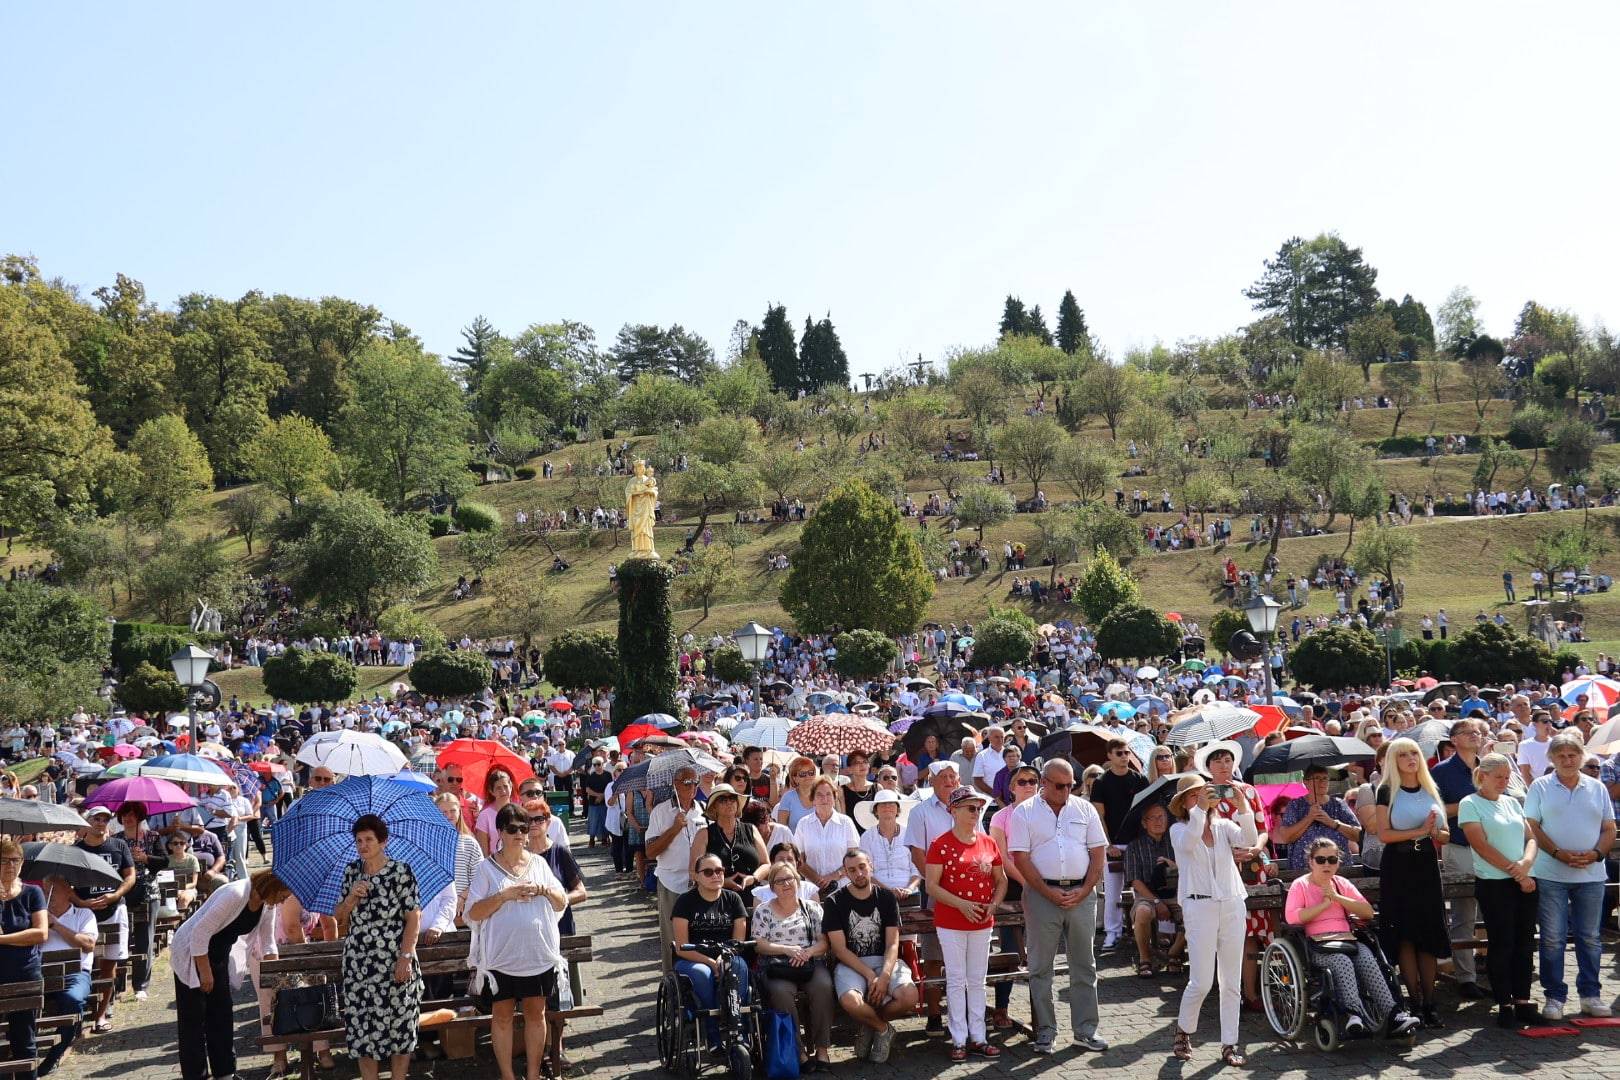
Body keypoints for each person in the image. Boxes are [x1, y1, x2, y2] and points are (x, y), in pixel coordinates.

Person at [1007, 758, 1107, 1055]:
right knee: (1040, 967)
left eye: (1071, 785)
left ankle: (1085, 1031)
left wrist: (1086, 889)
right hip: (1041, 895)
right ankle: (1045, 1032)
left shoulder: (1084, 808)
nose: (1067, 791)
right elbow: (1020, 858)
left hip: (1080, 893)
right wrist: (1048, 892)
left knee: (1084, 966)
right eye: (1061, 786)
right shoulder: (1024, 812)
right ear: (1044, 783)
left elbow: (1098, 852)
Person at [466, 804, 569, 1080]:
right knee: (502, 1016)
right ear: (500, 831)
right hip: (502, 957)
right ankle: (508, 1076)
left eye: (524, 828)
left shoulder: (539, 863)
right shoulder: (486, 869)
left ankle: (534, 1075)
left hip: (537, 954)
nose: (520, 834)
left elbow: (562, 901)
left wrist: (544, 890)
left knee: (537, 1013)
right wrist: (504, 895)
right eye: (513, 829)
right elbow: (472, 913)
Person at [1284, 838, 1419, 1037]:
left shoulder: (1341, 883)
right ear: (1311, 862)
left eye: (1332, 859)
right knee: (1342, 961)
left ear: (1338, 862)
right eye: (1321, 860)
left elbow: (1367, 912)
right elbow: (1292, 917)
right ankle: (1353, 1014)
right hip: (1316, 944)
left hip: (1347, 939)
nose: (1327, 864)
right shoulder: (1300, 885)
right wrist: (1323, 905)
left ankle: (1393, 1014)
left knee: (1367, 958)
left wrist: (1337, 898)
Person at [1525, 730, 1616, 1020]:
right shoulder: (1540, 786)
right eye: (1561, 755)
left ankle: (1590, 995)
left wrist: (1596, 854)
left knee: (1590, 937)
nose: (1567, 759)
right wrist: (1556, 852)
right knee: (1553, 938)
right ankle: (1555, 997)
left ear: (1581, 756)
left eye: (1573, 754)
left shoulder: (1597, 787)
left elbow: (1608, 828)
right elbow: (1532, 826)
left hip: (1591, 874)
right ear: (1551, 757)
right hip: (1551, 872)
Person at [168, 869, 292, 1080]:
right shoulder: (235, 894)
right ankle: (196, 1075)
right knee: (194, 1019)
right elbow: (200, 932)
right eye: (283, 895)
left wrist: (275, 973)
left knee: (222, 1014)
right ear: (273, 887)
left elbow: (268, 941)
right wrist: (205, 973)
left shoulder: (267, 905)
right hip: (192, 952)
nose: (283, 901)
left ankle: (225, 1072)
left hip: (219, 953)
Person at [334, 814, 424, 1080]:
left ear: (382, 841)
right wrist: (352, 897)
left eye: (369, 839)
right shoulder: (352, 872)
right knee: (363, 1031)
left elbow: (414, 917)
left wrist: (405, 958)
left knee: (400, 1027)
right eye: (359, 840)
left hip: (395, 959)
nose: (363, 845)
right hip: (359, 964)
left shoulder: (401, 871)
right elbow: (339, 917)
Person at [1166, 776, 1248, 1066]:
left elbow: (1248, 840)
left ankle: (1230, 1043)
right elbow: (1188, 844)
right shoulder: (1178, 829)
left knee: (1230, 981)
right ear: (1183, 804)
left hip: (1232, 904)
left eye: (1204, 793)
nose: (1201, 798)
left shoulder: (1224, 825)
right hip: (1199, 906)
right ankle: (1184, 1030)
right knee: (1201, 981)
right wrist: (1200, 809)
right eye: (1193, 796)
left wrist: (1242, 807)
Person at [1458, 752, 1541, 1028]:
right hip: (1495, 883)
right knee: (1502, 943)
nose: (1504, 782)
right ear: (1483, 776)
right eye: (1499, 777)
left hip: (1524, 879)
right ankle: (1504, 1002)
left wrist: (1526, 863)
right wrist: (1515, 870)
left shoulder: (1512, 802)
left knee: (1525, 942)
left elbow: (1530, 838)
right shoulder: (1470, 803)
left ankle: (1523, 1000)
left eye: (1507, 777)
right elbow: (1480, 844)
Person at [1373, 737, 1450, 1028]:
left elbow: (1444, 835)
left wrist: (1434, 833)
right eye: (1403, 754)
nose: (1410, 758)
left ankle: (1431, 1002)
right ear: (1394, 759)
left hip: (1426, 864)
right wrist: (1420, 830)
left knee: (1428, 933)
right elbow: (1384, 834)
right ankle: (1414, 1001)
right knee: (1405, 934)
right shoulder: (1386, 790)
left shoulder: (1430, 788)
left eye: (1414, 753)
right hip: (1399, 866)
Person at [925, 787, 1005, 1061]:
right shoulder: (940, 844)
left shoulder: (987, 842)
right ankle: (959, 1039)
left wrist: (992, 905)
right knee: (957, 980)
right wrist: (961, 904)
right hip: (951, 921)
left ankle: (979, 1038)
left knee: (977, 980)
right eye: (970, 807)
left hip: (982, 921)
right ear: (954, 810)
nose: (975, 812)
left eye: (978, 808)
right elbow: (931, 886)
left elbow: (1001, 879)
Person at [1193, 741, 1272, 1008]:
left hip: (1252, 866)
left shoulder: (1248, 791)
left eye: (1227, 760)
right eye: (1218, 761)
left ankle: (1256, 992)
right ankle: (1239, 993)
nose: (1224, 766)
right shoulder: (1205, 795)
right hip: (1223, 868)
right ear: (1209, 767)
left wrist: (1255, 849)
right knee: (1234, 933)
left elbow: (1262, 828)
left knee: (1259, 929)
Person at [824, 847, 917, 1063]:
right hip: (851, 963)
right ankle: (883, 1028)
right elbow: (839, 949)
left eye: (862, 867)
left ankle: (869, 1026)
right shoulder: (834, 901)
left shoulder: (885, 897)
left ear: (871, 866)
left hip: (885, 960)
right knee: (850, 1001)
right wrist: (869, 975)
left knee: (909, 996)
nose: (858, 874)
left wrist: (884, 976)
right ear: (845, 873)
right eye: (852, 870)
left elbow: (893, 943)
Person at [750, 862, 835, 1070]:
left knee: (823, 986)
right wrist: (787, 950)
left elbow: (823, 942)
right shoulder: (763, 910)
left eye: (790, 879)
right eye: (779, 881)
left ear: (798, 882)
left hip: (809, 962)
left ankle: (822, 1050)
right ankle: (799, 1052)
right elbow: (758, 944)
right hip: (777, 965)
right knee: (780, 993)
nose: (786, 884)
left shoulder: (812, 908)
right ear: (772, 887)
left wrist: (807, 953)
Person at [1432, 716, 1487, 998]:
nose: (1475, 735)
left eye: (1479, 731)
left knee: (1494, 908)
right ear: (1453, 740)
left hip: (1494, 848)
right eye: (1468, 732)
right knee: (1464, 911)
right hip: (1460, 845)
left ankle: (1494, 967)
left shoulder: (1489, 768)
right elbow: (1437, 812)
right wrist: (1472, 802)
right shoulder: (1441, 772)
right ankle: (1465, 977)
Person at [671, 852, 750, 1047]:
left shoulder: (733, 899)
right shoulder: (685, 902)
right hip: (693, 958)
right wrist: (710, 962)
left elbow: (738, 941)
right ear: (696, 876)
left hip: (728, 955)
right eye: (708, 872)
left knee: (738, 968)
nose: (716, 875)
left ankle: (740, 1031)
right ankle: (713, 1034)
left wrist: (725, 957)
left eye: (719, 871)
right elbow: (681, 947)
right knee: (702, 974)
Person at [72, 805, 134, 1034]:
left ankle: (101, 1014)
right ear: (88, 822)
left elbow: (130, 876)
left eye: (105, 819)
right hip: (85, 914)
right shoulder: (76, 851)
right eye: (97, 819)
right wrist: (81, 903)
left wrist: (116, 895)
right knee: (84, 964)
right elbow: (65, 886)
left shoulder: (118, 846)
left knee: (109, 964)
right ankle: (81, 1010)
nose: (101, 823)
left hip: (114, 909)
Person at [986, 764, 1038, 1027]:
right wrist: (1028, 880)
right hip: (1013, 884)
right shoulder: (1001, 817)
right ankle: (1002, 1008)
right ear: (1011, 787)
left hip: (1042, 884)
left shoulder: (1046, 813)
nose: (1028, 785)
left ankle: (1041, 1011)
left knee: (1040, 949)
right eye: (1022, 781)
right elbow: (1002, 857)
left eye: (1033, 781)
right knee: (1009, 949)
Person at [646, 767, 706, 974]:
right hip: (671, 882)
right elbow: (650, 851)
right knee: (672, 938)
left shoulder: (704, 810)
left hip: (701, 884)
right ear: (675, 783)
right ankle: (672, 981)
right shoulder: (660, 811)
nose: (692, 786)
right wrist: (673, 829)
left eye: (695, 782)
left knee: (699, 935)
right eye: (686, 782)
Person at [1090, 737, 1147, 952]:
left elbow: (1146, 812)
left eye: (1126, 752)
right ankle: (1112, 933)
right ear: (1110, 756)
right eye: (1119, 753)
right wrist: (1108, 844)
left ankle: (1146, 933)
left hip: (1138, 844)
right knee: (1113, 892)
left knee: (1143, 889)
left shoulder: (1140, 779)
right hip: (1114, 844)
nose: (1124, 757)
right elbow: (1099, 817)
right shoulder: (1101, 782)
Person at [38, 874, 96, 1077]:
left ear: (68, 892)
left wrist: (56, 925)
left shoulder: (83, 914)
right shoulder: (37, 917)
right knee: (18, 1003)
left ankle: (54, 1055)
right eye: (45, 890)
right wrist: (41, 924)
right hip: (41, 975)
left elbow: (88, 945)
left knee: (72, 1001)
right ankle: (20, 1052)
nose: (48, 894)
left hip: (74, 974)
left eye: (53, 889)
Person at [0, 838, 46, 1073]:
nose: (10, 865)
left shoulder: (32, 893)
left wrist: (3, 939)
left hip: (24, 973)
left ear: (22, 863)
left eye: (15, 860)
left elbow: (40, 933)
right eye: (4, 860)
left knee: (24, 1039)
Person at [1125, 802, 1184, 977]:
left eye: (1162, 817)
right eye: (1153, 818)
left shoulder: (1176, 842)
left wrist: (1174, 866)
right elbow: (1135, 881)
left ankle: (1174, 953)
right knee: (1143, 912)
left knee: (1195, 913)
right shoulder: (1134, 846)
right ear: (1144, 823)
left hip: (1175, 893)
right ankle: (1145, 959)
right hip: (1147, 895)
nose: (1158, 821)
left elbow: (1190, 871)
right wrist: (1156, 902)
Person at [689, 784, 766, 903]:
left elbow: (766, 864)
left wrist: (753, 878)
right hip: (716, 901)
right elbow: (693, 872)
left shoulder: (751, 829)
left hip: (752, 897)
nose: (729, 802)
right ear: (714, 807)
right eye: (723, 800)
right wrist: (722, 882)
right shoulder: (704, 834)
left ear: (737, 803)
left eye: (732, 799)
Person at [1273, 765, 1360, 871]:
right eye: (1317, 778)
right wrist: (1309, 818)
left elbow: (1358, 835)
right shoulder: (1296, 805)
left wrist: (1333, 823)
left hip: (1337, 868)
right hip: (1304, 869)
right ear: (1306, 782)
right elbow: (1286, 837)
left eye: (1325, 778)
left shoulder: (1339, 804)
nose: (1322, 782)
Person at [794, 779, 860, 896]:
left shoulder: (846, 822)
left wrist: (834, 876)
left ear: (835, 798)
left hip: (844, 888)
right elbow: (798, 860)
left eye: (829, 794)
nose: (824, 799)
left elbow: (854, 857)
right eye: (819, 795)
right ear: (813, 800)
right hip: (813, 891)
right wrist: (818, 880)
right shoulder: (803, 824)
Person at [435, 790, 484, 921]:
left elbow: (480, 878)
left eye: (452, 811)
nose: (448, 815)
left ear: (459, 812)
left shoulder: (470, 843)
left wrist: (462, 897)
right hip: (436, 911)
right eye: (443, 812)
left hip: (463, 910)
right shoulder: (430, 843)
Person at [475, 767, 517, 857]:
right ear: (491, 791)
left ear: (511, 786)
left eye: (505, 786)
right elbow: (483, 852)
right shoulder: (484, 816)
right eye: (498, 788)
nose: (503, 791)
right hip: (494, 866)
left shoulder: (518, 812)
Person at [774, 757, 820, 830]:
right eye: (802, 774)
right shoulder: (788, 798)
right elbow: (781, 829)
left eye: (811, 773)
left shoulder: (822, 795)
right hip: (794, 841)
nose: (808, 776)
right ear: (794, 778)